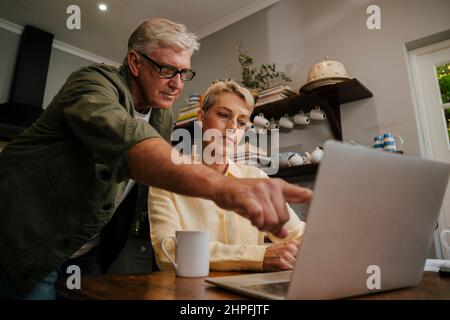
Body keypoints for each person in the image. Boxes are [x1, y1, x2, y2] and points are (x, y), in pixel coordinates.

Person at [0, 18, 312, 300]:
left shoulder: (163, 115)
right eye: (167, 70)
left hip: (85, 250)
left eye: (184, 73)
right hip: (27, 241)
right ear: (135, 62)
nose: (177, 84)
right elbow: (134, 147)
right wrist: (225, 189)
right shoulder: (92, 84)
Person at [149, 80, 306, 272]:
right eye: (224, 115)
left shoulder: (256, 178)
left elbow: (298, 235)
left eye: (241, 122)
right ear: (200, 118)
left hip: (249, 293)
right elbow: (169, 252)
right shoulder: (166, 179)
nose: (232, 128)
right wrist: (259, 256)